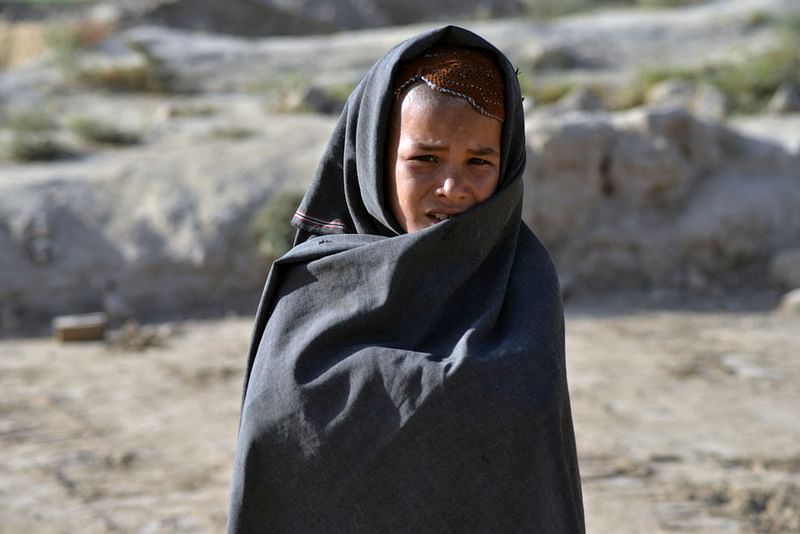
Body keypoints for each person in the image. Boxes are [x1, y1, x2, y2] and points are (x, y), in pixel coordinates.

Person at [227, 25, 585, 533]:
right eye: (425, 158)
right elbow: (280, 452)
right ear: (375, 154)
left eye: (479, 161)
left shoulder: (520, 280)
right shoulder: (310, 287)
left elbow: (531, 471)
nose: (452, 187)